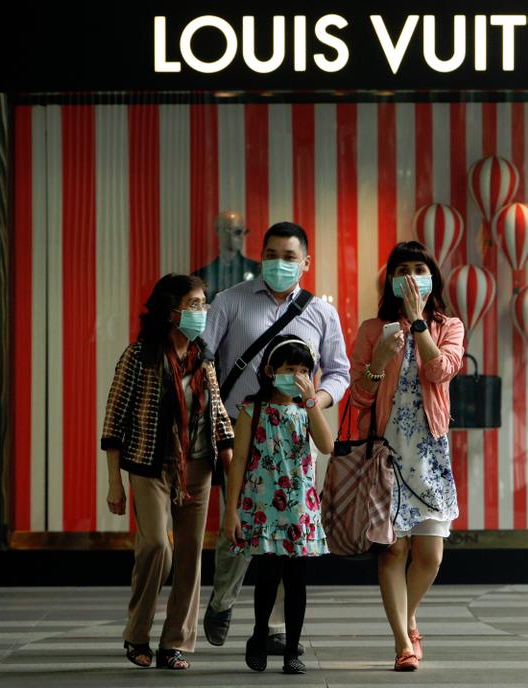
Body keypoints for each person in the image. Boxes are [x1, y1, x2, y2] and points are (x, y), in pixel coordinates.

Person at [202, 221, 350, 654]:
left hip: (298, 436)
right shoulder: (229, 301)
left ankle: (278, 627)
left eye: (289, 257)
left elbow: (339, 371)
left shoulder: (321, 312)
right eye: (271, 254)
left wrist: (314, 403)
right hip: (241, 429)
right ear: (260, 256)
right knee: (241, 523)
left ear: (305, 262)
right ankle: (223, 599)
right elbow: (205, 361)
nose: (279, 263)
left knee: (288, 531)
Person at [101, 274, 234, 670]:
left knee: (192, 555)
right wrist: (114, 483)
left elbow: (218, 418)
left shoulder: (203, 357)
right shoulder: (140, 356)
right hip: (150, 466)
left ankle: (176, 642)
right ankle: (137, 633)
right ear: (170, 309)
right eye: (193, 304)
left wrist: (235, 479)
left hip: (197, 468)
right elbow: (114, 422)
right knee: (157, 546)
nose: (201, 311)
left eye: (203, 304)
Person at [349, 241, 464, 672]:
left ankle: (408, 615)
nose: (412, 276)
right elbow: (359, 397)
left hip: (430, 455)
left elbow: (440, 371)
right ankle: (402, 642)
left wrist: (419, 325)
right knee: (393, 553)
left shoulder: (449, 326)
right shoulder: (372, 328)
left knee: (430, 556)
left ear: (431, 276)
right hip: (385, 456)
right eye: (404, 269)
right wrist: (379, 358)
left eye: (420, 268)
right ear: (392, 280)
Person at [224, 335, 334, 674]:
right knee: (268, 575)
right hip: (262, 506)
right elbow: (239, 461)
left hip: (299, 508)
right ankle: (259, 636)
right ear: (271, 371)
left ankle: (291, 651)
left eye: (304, 370)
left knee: (297, 580)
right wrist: (231, 512)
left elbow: (327, 445)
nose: (297, 376)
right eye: (290, 369)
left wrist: (312, 399)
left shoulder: (305, 409)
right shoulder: (250, 410)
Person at [192, 210, 261, 302]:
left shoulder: (258, 271)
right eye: (237, 231)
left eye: (244, 231)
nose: (242, 236)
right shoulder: (201, 276)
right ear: (220, 232)